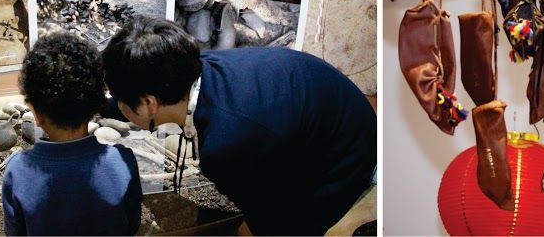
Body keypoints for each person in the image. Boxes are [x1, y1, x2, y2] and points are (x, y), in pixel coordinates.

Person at [102, 17, 375, 237]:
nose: (118, 104)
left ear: (150, 103)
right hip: (324, 109)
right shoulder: (186, 66)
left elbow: (269, 212)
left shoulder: (226, 144)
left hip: (346, 154)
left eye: (120, 99)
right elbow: (131, 103)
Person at [1, 32, 142, 237]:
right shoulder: (122, 162)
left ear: (37, 114)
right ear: (95, 105)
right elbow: (131, 225)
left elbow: (15, 233)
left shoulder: (18, 170)